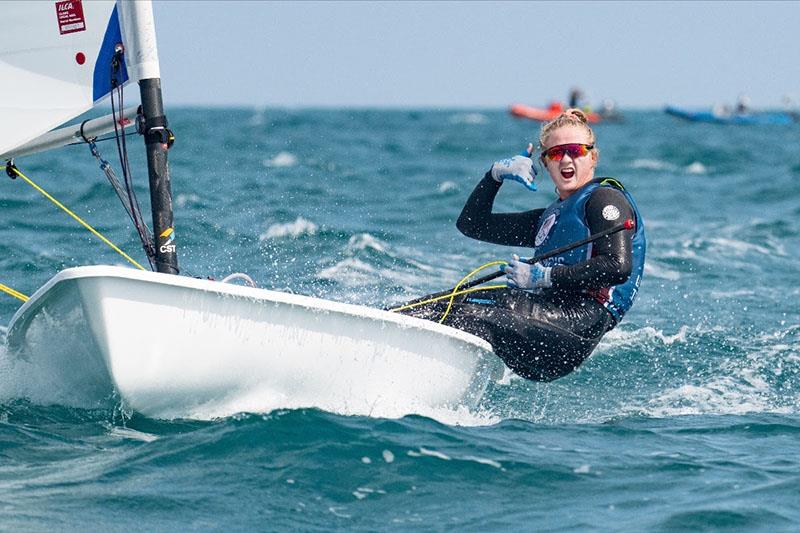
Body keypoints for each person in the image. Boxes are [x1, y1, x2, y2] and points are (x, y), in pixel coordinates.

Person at [400, 109, 646, 381]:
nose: (566, 159)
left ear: (593, 157)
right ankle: (386, 330)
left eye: (575, 150)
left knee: (462, 314)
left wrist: (544, 277)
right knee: (443, 303)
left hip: (575, 327)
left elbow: (617, 267)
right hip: (542, 318)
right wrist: (494, 176)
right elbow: (472, 225)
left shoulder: (605, 200)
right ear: (545, 162)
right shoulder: (551, 217)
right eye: (555, 153)